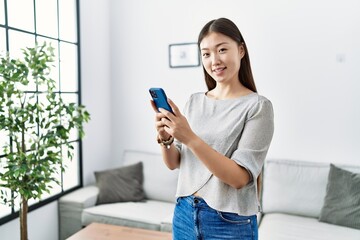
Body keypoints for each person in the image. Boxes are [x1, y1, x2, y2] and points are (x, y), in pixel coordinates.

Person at [151, 18, 274, 240]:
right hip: (184, 213)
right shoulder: (194, 101)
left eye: (222, 50)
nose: (214, 60)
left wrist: (189, 137)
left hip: (229, 222)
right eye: (206, 54)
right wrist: (166, 139)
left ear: (241, 50)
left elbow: (239, 178)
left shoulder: (258, 107)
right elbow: (174, 164)